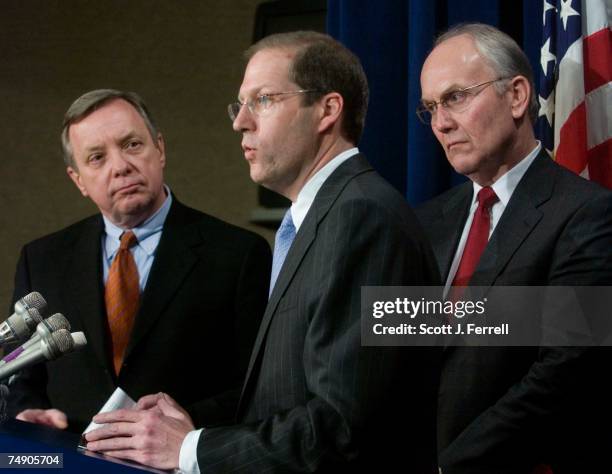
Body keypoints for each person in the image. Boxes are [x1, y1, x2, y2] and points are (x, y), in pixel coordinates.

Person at [85, 31, 441, 472]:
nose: (240, 122)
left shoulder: (363, 218)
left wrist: (191, 449)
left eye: (263, 100)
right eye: (240, 105)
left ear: (327, 110)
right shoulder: (317, 218)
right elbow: (286, 396)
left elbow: (341, 425)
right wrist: (193, 424)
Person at [7, 89, 271, 433]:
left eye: (132, 145)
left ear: (159, 149)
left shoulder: (239, 253)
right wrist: (28, 414)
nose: (120, 167)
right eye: (97, 158)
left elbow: (260, 387)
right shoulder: (41, 259)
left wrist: (189, 422)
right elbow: (20, 377)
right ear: (78, 180)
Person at [415, 23, 612, 473]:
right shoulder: (424, 222)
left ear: (517, 96)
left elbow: (566, 371)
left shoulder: (588, 215)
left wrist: (449, 464)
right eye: (431, 107)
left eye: (456, 97)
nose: (442, 123)